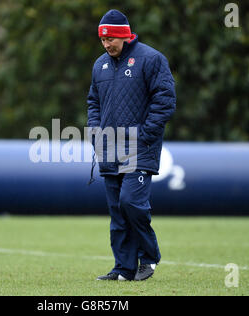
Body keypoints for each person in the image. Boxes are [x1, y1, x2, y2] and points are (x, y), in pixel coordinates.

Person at [87, 9, 176, 281]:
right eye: (103, 40)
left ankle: (148, 258)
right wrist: (95, 133)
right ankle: (123, 268)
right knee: (117, 210)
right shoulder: (99, 65)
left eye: (111, 39)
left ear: (124, 36)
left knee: (131, 202)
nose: (106, 45)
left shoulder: (151, 59)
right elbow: (93, 103)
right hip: (109, 150)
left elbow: (165, 99)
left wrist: (146, 133)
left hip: (140, 148)